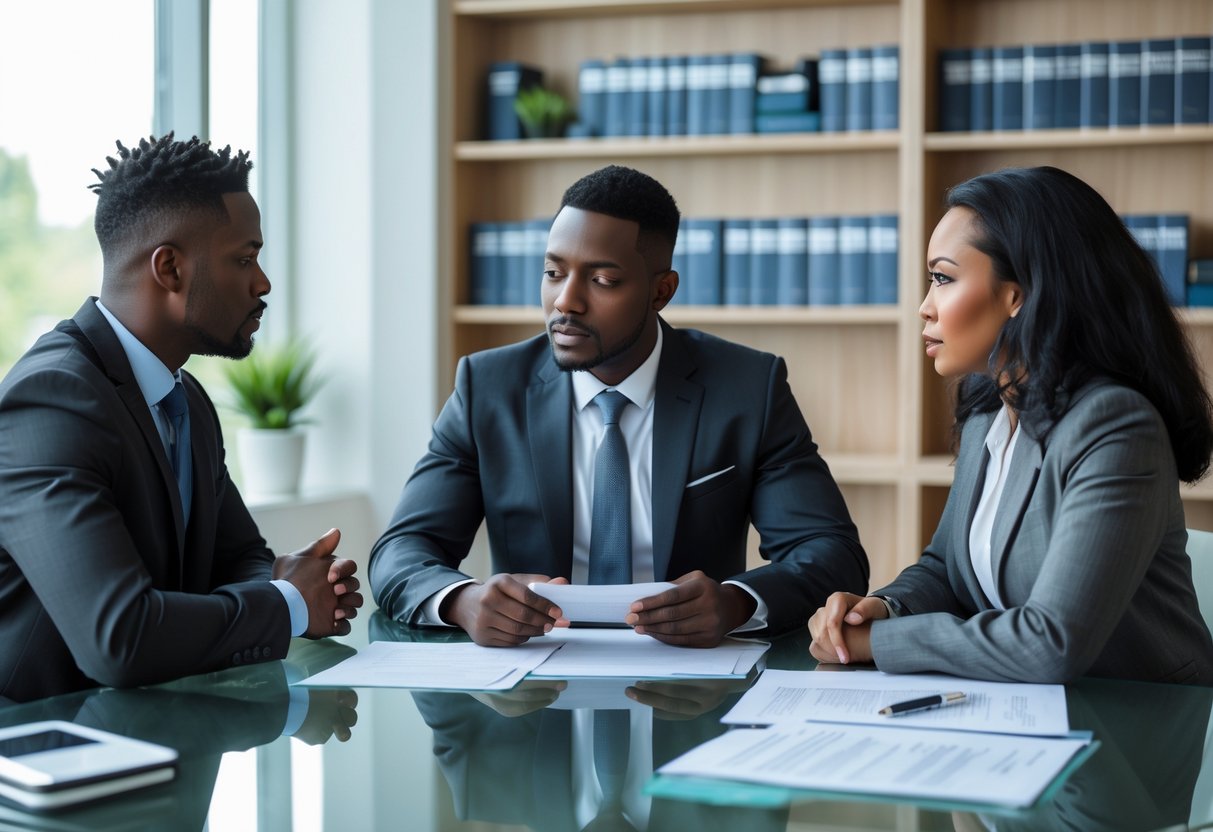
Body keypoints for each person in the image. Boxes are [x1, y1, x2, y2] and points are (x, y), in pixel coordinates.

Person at [370, 164, 867, 648]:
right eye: (552, 273)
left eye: (603, 280)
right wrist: (463, 600)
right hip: (533, 679)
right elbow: (400, 550)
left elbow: (832, 553)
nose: (565, 302)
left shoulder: (746, 388)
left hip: (689, 681)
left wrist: (737, 602)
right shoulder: (488, 387)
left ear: (661, 291)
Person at [808, 165, 1213, 684]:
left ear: (1018, 295)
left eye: (943, 278)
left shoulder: (1116, 426)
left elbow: (1052, 643)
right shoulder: (989, 414)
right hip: (1025, 711)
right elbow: (946, 568)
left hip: (1139, 717)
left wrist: (880, 643)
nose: (924, 307)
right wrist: (877, 611)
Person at [0, 134, 363, 703]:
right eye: (244, 259)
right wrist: (287, 604)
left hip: (158, 733)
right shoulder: (52, 401)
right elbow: (118, 638)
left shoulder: (185, 397)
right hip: (43, 743)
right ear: (169, 268)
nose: (263, 282)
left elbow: (237, 557)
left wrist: (290, 585)